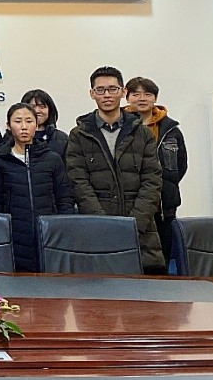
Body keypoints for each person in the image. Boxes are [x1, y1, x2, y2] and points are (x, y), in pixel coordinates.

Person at [66, 66, 165, 274]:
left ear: (123, 92)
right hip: (96, 230)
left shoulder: (142, 133)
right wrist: (104, 224)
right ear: (92, 94)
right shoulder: (79, 134)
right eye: (100, 90)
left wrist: (133, 224)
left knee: (144, 292)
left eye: (113, 89)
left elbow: (152, 180)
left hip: (141, 231)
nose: (107, 95)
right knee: (96, 291)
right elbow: (78, 181)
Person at [0, 102, 74, 272]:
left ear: (36, 125)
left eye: (29, 121)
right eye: (18, 121)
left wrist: (64, 230)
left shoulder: (52, 159)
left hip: (49, 236)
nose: (24, 127)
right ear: (8, 126)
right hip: (14, 237)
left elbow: (64, 198)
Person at [125, 76, 188, 266]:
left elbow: (180, 165)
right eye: (136, 94)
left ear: (155, 98)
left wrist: (163, 186)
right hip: (129, 204)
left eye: (147, 94)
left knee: (162, 259)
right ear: (126, 97)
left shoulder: (170, 130)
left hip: (162, 206)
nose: (142, 98)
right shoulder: (119, 126)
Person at [20, 88, 69, 159]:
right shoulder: (13, 136)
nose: (37, 111)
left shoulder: (61, 138)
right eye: (32, 107)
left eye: (42, 107)